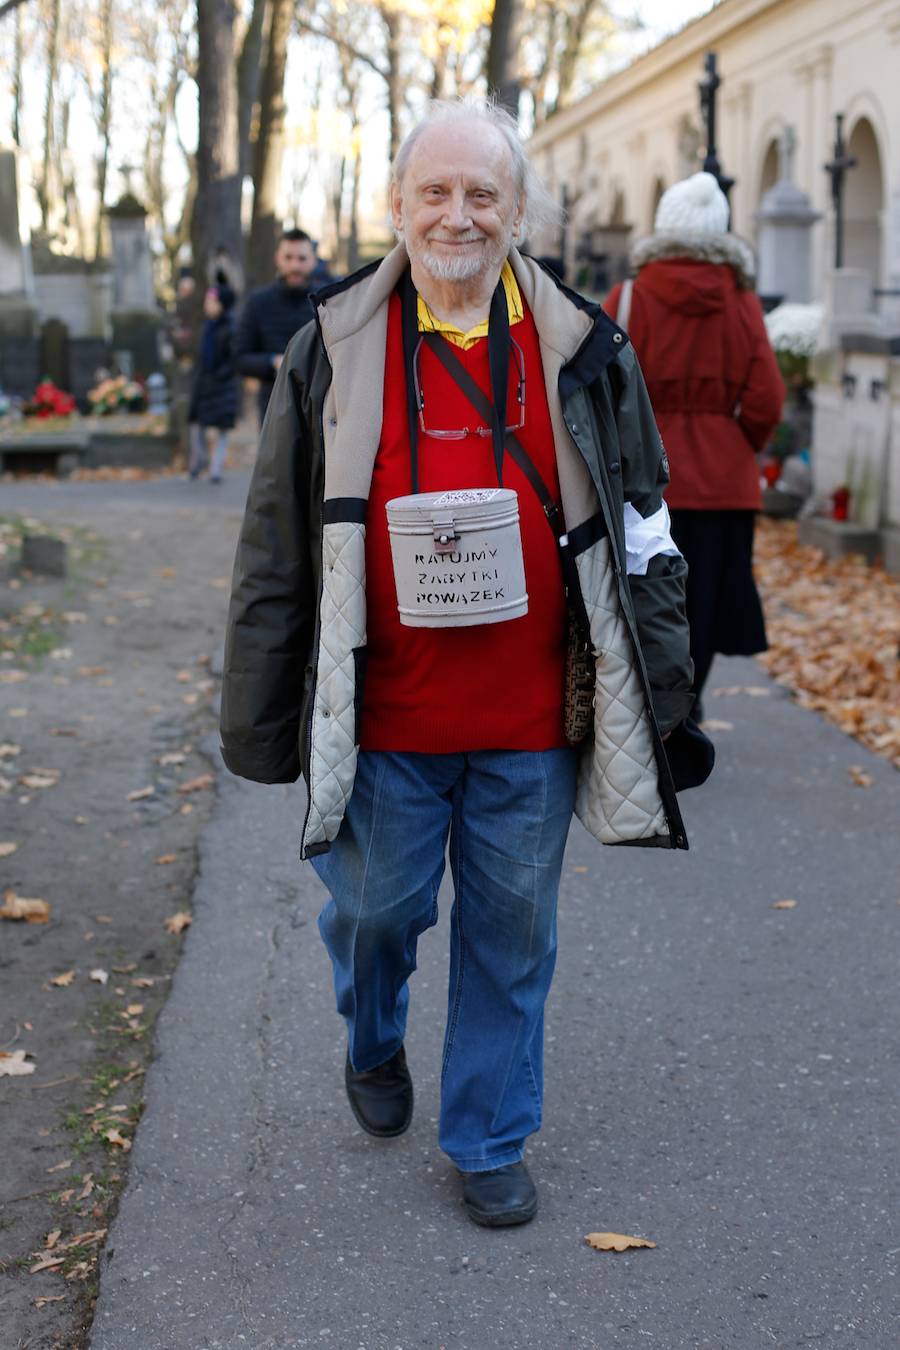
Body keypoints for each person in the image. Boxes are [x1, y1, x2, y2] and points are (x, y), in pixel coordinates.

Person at [221, 99, 706, 1229]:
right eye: (434, 192)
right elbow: (275, 551)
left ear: (518, 212)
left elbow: (646, 525)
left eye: (482, 194)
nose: (457, 215)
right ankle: (372, 1029)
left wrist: (671, 690)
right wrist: (255, 714)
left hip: (532, 715)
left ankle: (489, 1134)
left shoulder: (585, 350)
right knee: (375, 912)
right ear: (396, 207)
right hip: (386, 717)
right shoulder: (331, 350)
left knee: (513, 932)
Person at [605, 172, 784, 718]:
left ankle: (647, 704)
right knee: (704, 601)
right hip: (724, 486)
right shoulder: (743, 302)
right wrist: (731, 444)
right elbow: (766, 399)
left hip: (643, 480)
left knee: (640, 593)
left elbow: (599, 389)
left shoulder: (628, 298)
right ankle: (689, 704)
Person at [233, 228, 321, 421]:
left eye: (302, 258)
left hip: (322, 410)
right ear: (277, 258)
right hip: (273, 409)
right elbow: (240, 358)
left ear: (313, 260)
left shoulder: (329, 301)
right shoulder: (257, 303)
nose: (295, 265)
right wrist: (273, 362)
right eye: (288, 257)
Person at [187, 283, 239, 484]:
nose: (207, 305)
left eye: (212, 301)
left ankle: (216, 468)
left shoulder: (230, 328)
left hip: (221, 385)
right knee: (197, 424)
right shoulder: (207, 327)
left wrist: (220, 375)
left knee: (221, 429)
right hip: (204, 383)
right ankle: (199, 461)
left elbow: (233, 358)